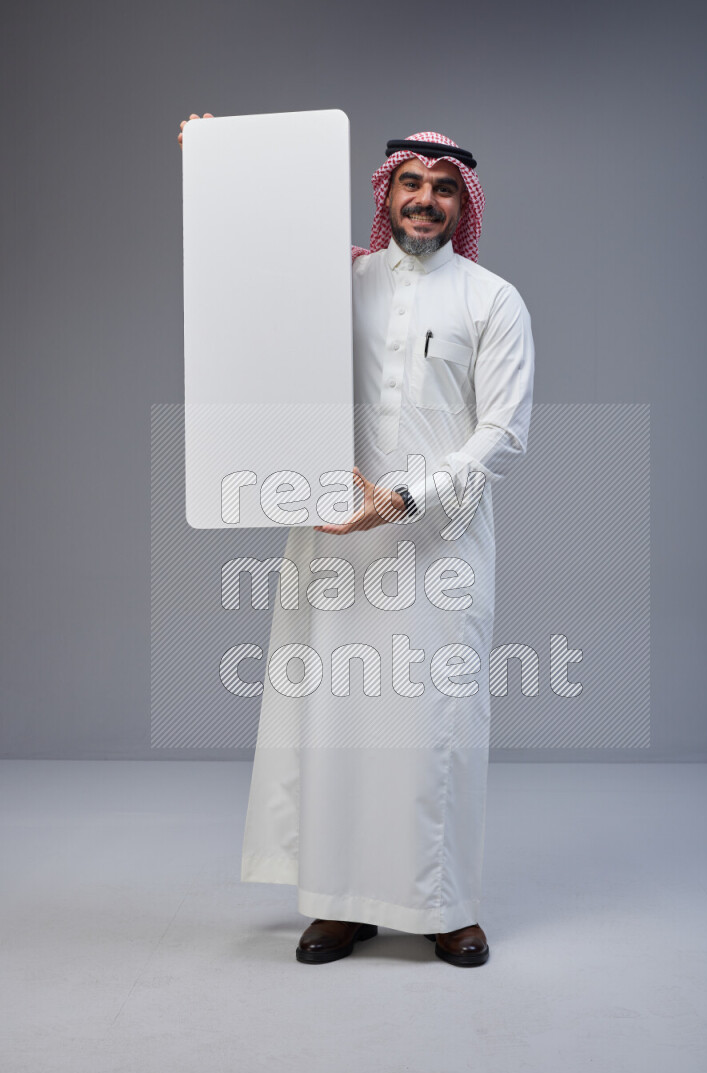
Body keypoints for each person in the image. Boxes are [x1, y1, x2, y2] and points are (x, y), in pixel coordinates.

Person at [178, 115, 535, 967]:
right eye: (412, 184)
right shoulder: (334, 282)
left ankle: (445, 904)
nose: (426, 200)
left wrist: (407, 497)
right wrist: (213, 163)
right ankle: (339, 904)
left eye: (444, 188)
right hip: (336, 534)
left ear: (462, 202)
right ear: (388, 194)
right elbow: (246, 297)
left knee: (434, 723)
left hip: (436, 542)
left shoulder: (492, 300)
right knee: (334, 721)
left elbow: (505, 433)